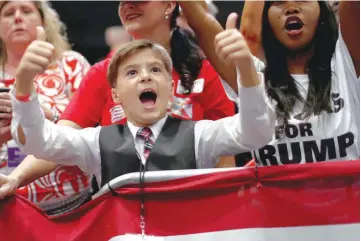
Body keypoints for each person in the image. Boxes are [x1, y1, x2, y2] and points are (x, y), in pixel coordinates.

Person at [0, 0, 237, 196]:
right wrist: (16, 178)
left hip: (190, 211)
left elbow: (225, 157)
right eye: (123, 1)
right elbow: (58, 139)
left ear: (169, 5)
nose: (129, 5)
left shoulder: (201, 71)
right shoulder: (103, 73)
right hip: (122, 218)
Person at [200, 0, 360, 166]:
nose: (291, 8)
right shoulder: (250, 73)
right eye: (278, 2)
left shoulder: (345, 64)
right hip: (272, 193)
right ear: (266, 21)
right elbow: (199, 18)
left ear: (321, 10)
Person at [0, 1, 92, 216]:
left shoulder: (71, 64)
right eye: (8, 13)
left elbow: (92, 123)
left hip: (75, 203)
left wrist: (36, 111)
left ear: (43, 21)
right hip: (8, 206)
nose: (18, 18)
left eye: (27, 11)